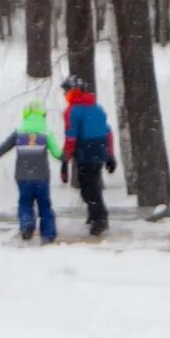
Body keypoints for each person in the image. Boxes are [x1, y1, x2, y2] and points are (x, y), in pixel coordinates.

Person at [0, 103, 61, 241]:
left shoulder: (19, 131)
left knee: (25, 203)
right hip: (42, 176)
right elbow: (57, 153)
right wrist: (67, 157)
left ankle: (27, 224)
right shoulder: (46, 131)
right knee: (45, 205)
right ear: (42, 114)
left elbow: (2, 148)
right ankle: (48, 234)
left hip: (23, 176)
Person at [61, 77, 115, 235]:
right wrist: (110, 155)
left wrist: (65, 159)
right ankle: (95, 215)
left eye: (66, 91)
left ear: (72, 91)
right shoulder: (98, 108)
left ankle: (100, 218)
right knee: (94, 182)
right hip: (100, 150)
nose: (64, 95)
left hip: (85, 150)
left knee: (88, 187)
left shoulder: (72, 111)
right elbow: (108, 132)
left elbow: (71, 136)